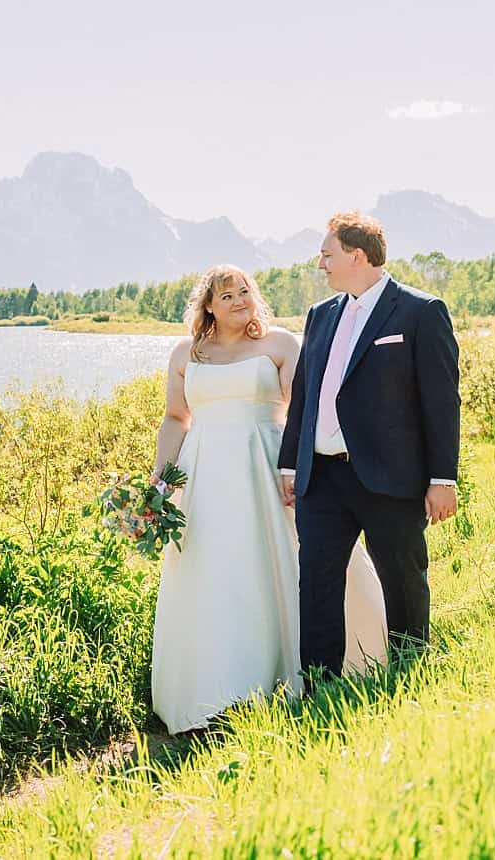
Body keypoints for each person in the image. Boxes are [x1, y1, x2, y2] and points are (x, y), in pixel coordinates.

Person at [150, 264, 386, 734]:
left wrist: (296, 468)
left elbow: (305, 412)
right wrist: (160, 480)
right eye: (227, 295)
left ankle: (306, 671)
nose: (239, 300)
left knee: (285, 561)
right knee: (212, 571)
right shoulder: (185, 353)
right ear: (209, 306)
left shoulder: (279, 345)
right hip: (203, 475)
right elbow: (177, 418)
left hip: (266, 465)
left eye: (245, 291)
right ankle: (214, 690)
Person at [278, 212, 461, 681]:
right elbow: (305, 394)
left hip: (390, 479)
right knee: (317, 585)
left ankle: (410, 672)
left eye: (327, 254)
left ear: (356, 256)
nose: (321, 264)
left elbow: (441, 402)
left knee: (402, 583)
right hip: (321, 479)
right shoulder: (321, 316)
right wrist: (289, 464)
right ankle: (320, 684)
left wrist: (443, 479)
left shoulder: (421, 312)